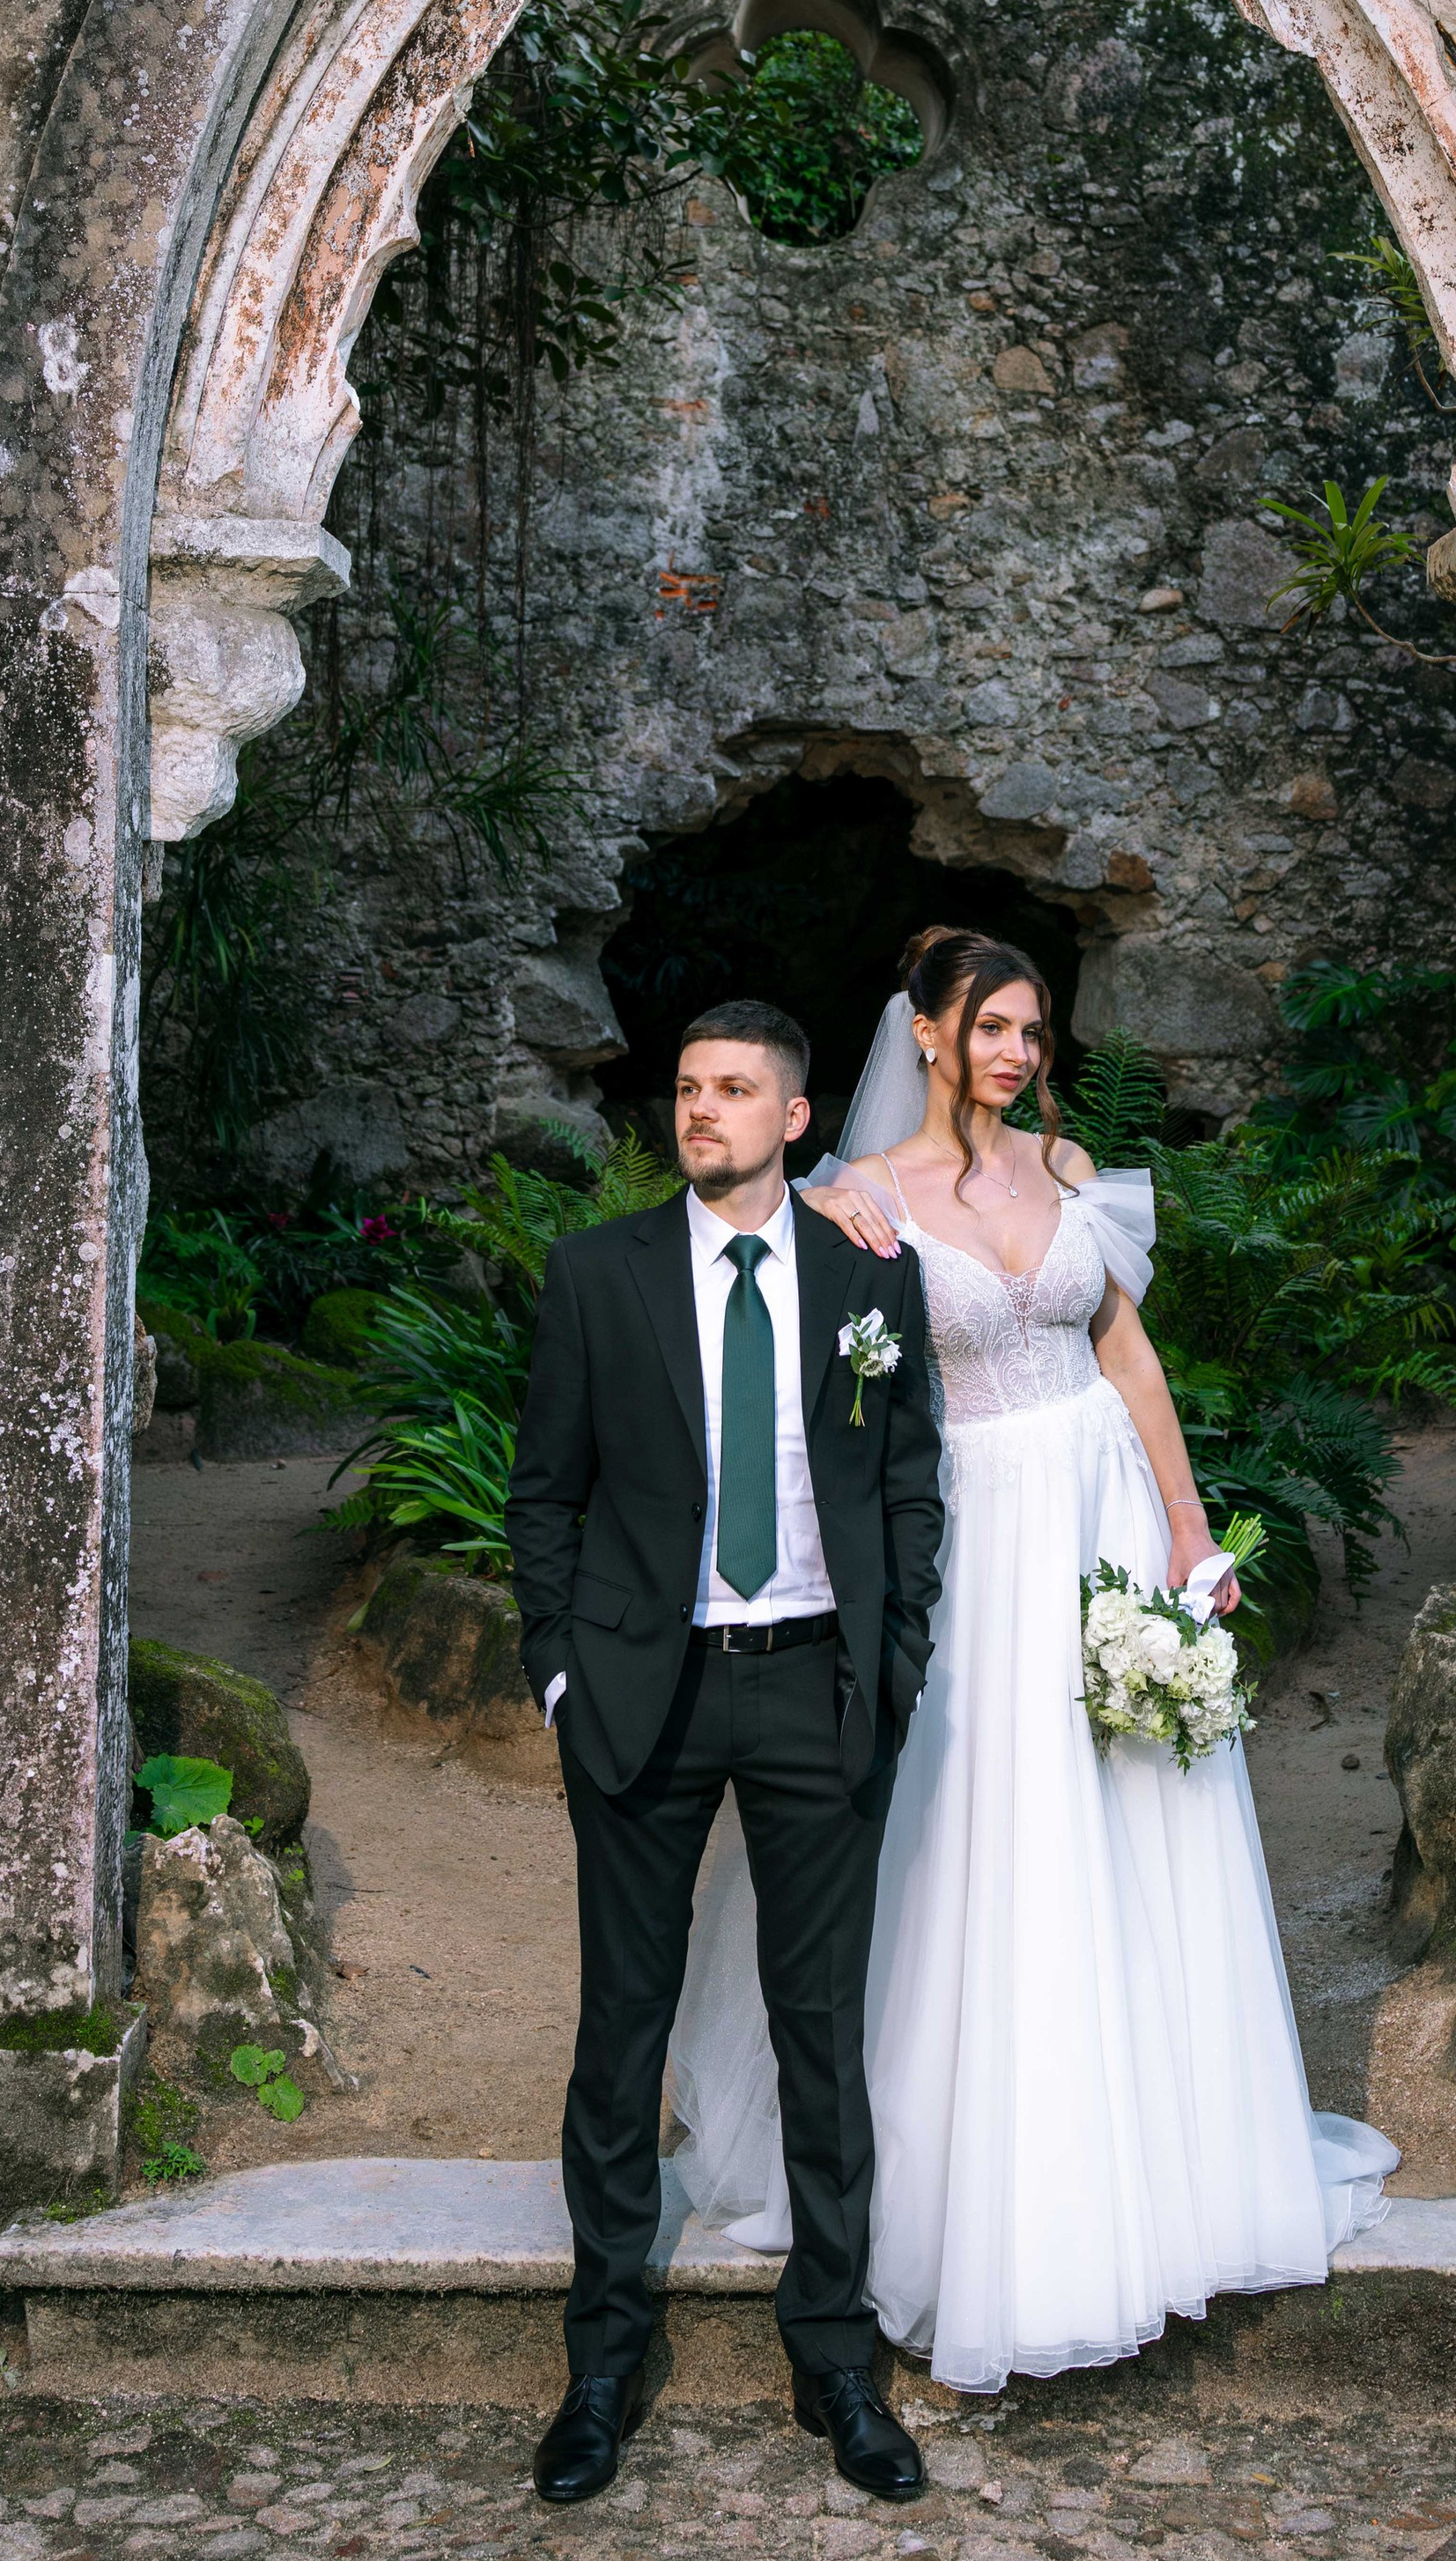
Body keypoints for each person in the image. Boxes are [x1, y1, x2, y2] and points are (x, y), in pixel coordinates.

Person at [668, 928, 1396, 2397]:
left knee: (1138, 1829)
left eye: (1031, 1030)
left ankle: (1165, 2172)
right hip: (976, 1541)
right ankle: (981, 2206)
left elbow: (1129, 1358)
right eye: (991, 1027)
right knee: (978, 1845)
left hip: (1102, 1515)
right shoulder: (859, 1204)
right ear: (929, 1038)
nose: (1016, 1051)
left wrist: (1188, 1539)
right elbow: (822, 1393)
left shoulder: (1069, 1181)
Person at [507, 999, 944, 2505]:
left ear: (797, 1117)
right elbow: (542, 1494)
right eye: (688, 1089)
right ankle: (604, 2358)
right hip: (646, 1690)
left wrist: (895, 1665)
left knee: (819, 2035)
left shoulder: (866, 1275)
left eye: (735, 1090)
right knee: (621, 2033)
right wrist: (560, 1673)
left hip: (819, 1683)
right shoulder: (596, 1275)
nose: (702, 1111)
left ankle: (836, 2358)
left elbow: (908, 1479)